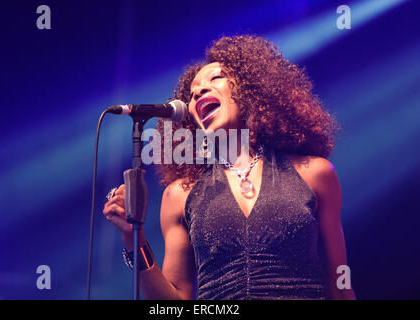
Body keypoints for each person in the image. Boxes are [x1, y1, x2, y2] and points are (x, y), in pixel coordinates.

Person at [103, 35, 356, 300]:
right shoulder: (180, 196)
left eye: (215, 79)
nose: (199, 91)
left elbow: (340, 285)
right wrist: (135, 241)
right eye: (192, 93)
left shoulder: (315, 173)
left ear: (249, 90)